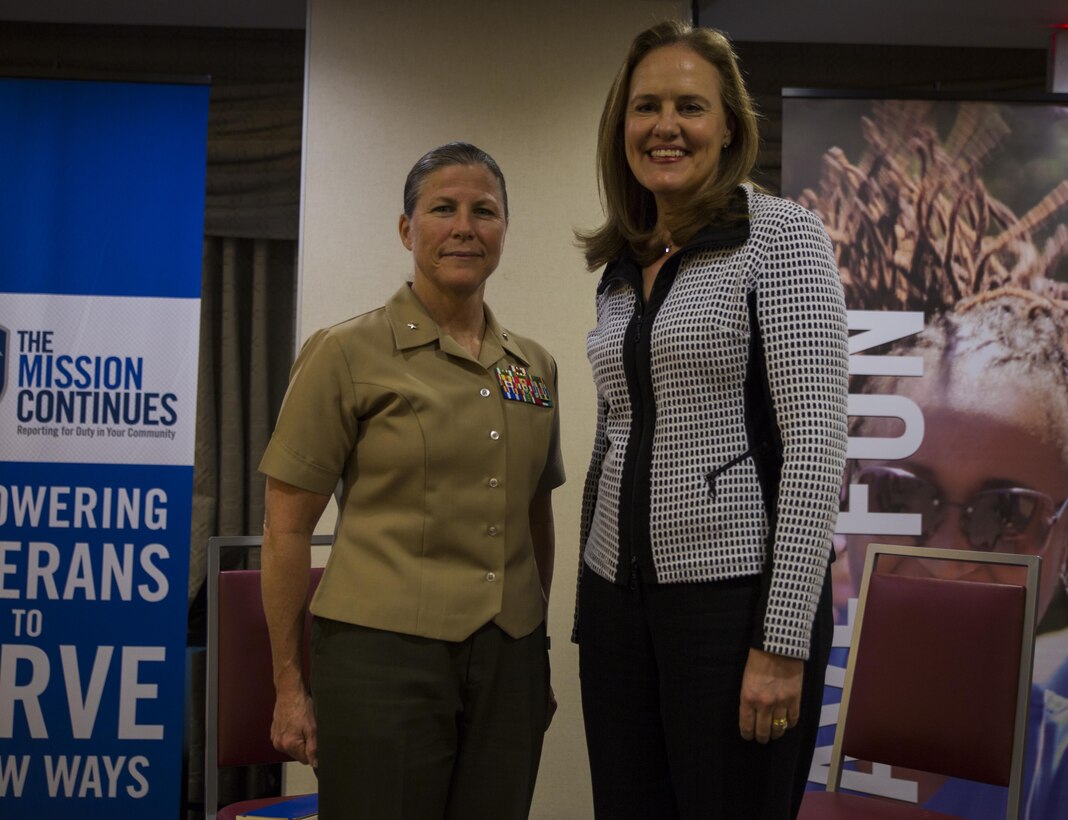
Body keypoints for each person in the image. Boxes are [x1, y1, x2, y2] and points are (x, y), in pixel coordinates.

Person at [573, 20, 849, 820]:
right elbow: (613, 441)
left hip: (733, 612)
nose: (665, 126)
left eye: (689, 106)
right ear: (620, 126)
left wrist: (781, 641)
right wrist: (591, 619)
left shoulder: (782, 237)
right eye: (646, 106)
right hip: (619, 612)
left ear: (728, 125)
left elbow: (815, 448)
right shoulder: (622, 264)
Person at [258, 142, 564, 820]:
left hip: (508, 659)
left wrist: (535, 650)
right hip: (380, 662)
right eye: (442, 209)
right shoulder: (345, 352)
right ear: (407, 229)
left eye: (484, 211)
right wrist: (287, 684)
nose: (464, 226)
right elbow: (284, 529)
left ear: (504, 231)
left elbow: (533, 516)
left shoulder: (533, 367)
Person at [795, 98, 1068, 819]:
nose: (946, 554)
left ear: (1062, 538)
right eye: (900, 496)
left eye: (1005, 512)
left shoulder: (1055, 770)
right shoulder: (760, 707)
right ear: (851, 498)